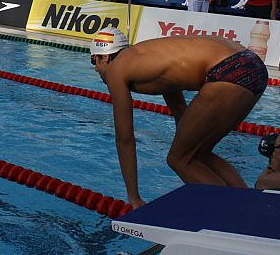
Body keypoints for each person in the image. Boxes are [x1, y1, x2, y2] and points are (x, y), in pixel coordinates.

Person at [90, 27, 268, 209]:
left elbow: (124, 139)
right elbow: (180, 112)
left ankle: (231, 214)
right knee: (198, 154)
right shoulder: (149, 57)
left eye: (93, 61)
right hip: (253, 64)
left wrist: (134, 198)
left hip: (227, 70)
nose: (95, 69)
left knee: (179, 160)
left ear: (104, 56)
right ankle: (249, 206)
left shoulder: (117, 69)